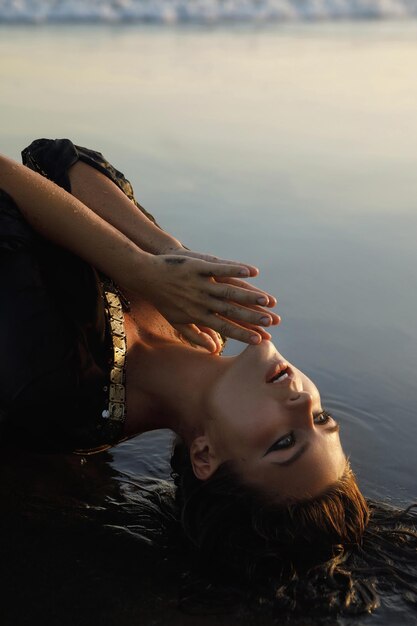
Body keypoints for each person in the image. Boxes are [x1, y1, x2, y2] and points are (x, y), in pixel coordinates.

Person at [0, 139, 415, 617]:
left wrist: (138, 267)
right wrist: (166, 254)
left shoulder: (54, 383)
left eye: (283, 442)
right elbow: (54, 160)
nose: (302, 403)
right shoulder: (190, 310)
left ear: (204, 454)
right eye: (322, 417)